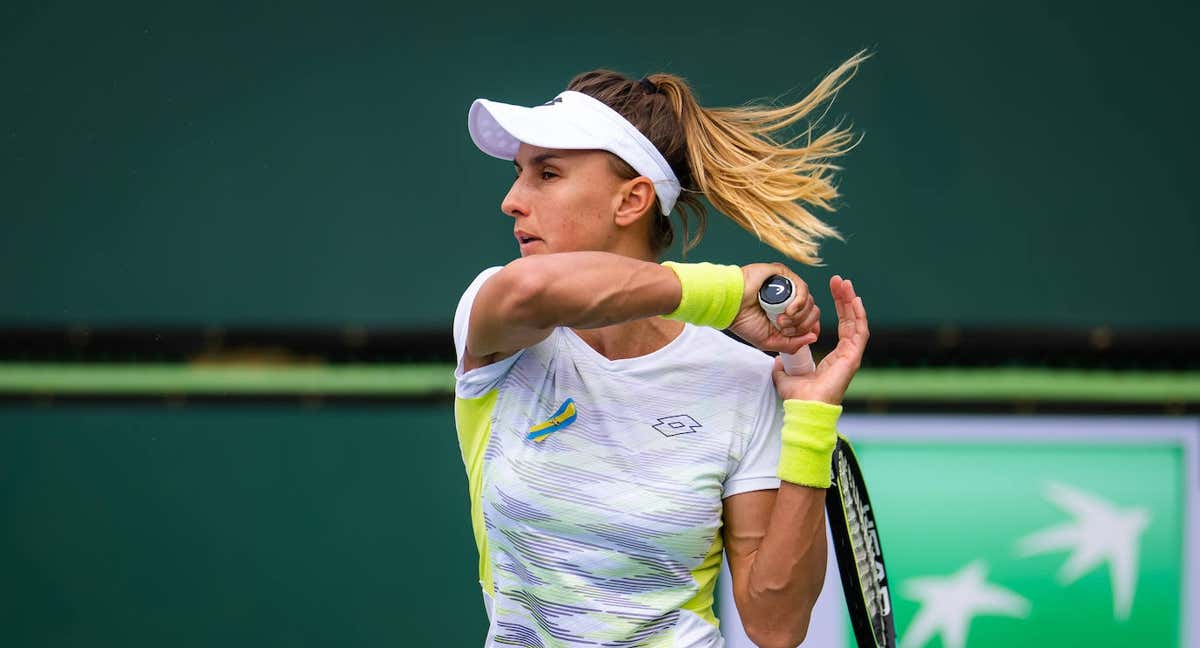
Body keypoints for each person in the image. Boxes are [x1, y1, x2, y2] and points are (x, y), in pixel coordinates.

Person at [453, 52, 871, 648]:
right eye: (517, 174)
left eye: (546, 174)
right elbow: (533, 292)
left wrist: (808, 420)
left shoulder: (743, 381)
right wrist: (728, 293)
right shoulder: (496, 321)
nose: (513, 200)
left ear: (632, 200)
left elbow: (776, 626)